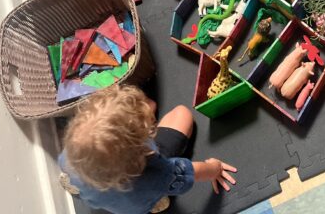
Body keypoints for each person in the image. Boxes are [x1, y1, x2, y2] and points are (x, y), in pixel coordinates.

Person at [59, 85, 237, 214]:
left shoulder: (70, 156)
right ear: (141, 153)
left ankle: (76, 186)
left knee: (150, 106)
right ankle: (156, 201)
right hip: (141, 200)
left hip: (107, 198)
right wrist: (215, 167)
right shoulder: (158, 172)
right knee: (182, 113)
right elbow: (195, 172)